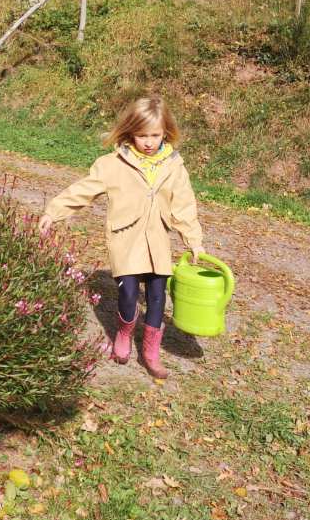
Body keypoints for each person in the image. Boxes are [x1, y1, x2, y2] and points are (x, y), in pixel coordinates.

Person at [39, 95, 204, 378]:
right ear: (130, 132)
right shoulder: (112, 164)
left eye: (155, 135)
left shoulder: (173, 165)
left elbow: (184, 205)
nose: (149, 142)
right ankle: (124, 333)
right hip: (125, 238)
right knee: (128, 292)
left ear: (166, 132)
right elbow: (83, 190)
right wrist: (53, 212)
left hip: (157, 241)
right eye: (142, 135)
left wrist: (194, 241)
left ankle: (151, 351)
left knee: (156, 296)